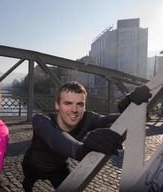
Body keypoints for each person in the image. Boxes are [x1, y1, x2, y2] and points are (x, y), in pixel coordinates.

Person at [21, 81, 152, 191]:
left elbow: (114, 119)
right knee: (28, 185)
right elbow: (55, 138)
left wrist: (131, 107)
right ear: (57, 105)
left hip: (58, 168)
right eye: (68, 103)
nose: (74, 110)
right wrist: (82, 149)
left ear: (85, 107)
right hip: (32, 166)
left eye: (80, 104)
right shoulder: (41, 120)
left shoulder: (88, 118)